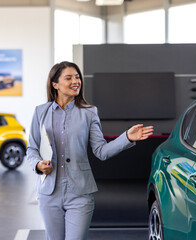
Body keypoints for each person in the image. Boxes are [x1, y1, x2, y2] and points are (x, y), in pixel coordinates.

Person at [27, 61, 154, 240]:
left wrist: (126, 137)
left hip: (80, 193)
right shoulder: (41, 112)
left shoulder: (89, 112)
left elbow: (101, 151)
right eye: (69, 78)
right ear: (55, 84)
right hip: (48, 193)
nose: (75, 81)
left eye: (77, 77)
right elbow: (32, 148)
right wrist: (38, 165)